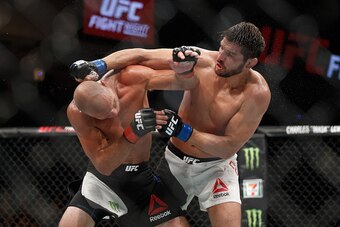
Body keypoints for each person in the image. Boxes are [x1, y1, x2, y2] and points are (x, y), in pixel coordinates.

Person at [70, 21, 271, 227]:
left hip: (216, 167)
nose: (220, 57)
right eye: (221, 47)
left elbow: (229, 146)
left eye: (231, 55)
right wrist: (99, 65)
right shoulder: (200, 60)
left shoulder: (257, 94)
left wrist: (183, 131)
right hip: (175, 163)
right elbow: (142, 55)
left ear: (250, 63)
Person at [59, 65, 195, 227]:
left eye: (113, 106)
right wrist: (132, 133)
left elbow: (186, 80)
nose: (113, 114)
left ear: (105, 87)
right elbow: (104, 165)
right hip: (101, 182)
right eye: (104, 116)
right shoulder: (76, 113)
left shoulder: (131, 80)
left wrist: (103, 62)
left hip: (140, 182)